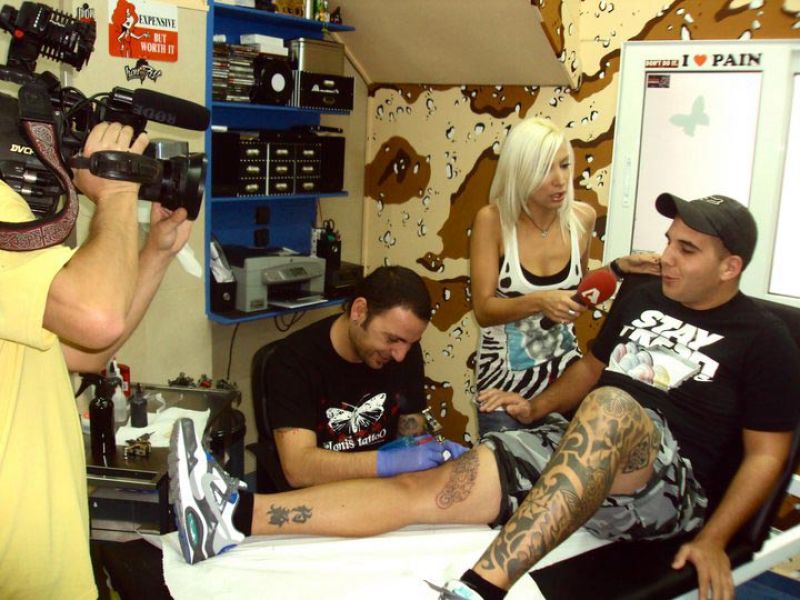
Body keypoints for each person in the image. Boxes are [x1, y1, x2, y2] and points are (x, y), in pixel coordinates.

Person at [170, 193, 800, 600]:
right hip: (581, 451)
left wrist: (715, 538)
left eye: (686, 249)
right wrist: (535, 408)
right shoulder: (641, 296)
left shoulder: (766, 338)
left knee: (614, 407)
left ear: (730, 266)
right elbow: (591, 369)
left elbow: (767, 456)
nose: (666, 256)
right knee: (429, 484)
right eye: (668, 241)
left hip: (665, 484)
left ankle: (479, 589)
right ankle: (235, 516)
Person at [0, 122, 192, 599]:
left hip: (44, 556)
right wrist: (117, 193)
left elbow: (83, 352)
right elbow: (97, 318)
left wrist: (156, 252)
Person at [471, 117, 660, 435]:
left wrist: (617, 268)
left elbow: (577, 292)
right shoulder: (492, 221)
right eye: (546, 169)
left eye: (564, 165)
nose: (560, 180)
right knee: (509, 466)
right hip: (503, 383)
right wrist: (540, 301)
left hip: (565, 377)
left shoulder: (582, 218)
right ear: (520, 170)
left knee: (575, 464)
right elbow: (484, 310)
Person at [264, 265, 466, 489]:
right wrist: (386, 462)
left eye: (411, 343)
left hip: (383, 489)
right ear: (359, 311)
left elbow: (413, 427)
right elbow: (299, 469)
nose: (400, 355)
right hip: (322, 493)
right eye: (392, 339)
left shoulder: (404, 352)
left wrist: (437, 446)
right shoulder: (293, 360)